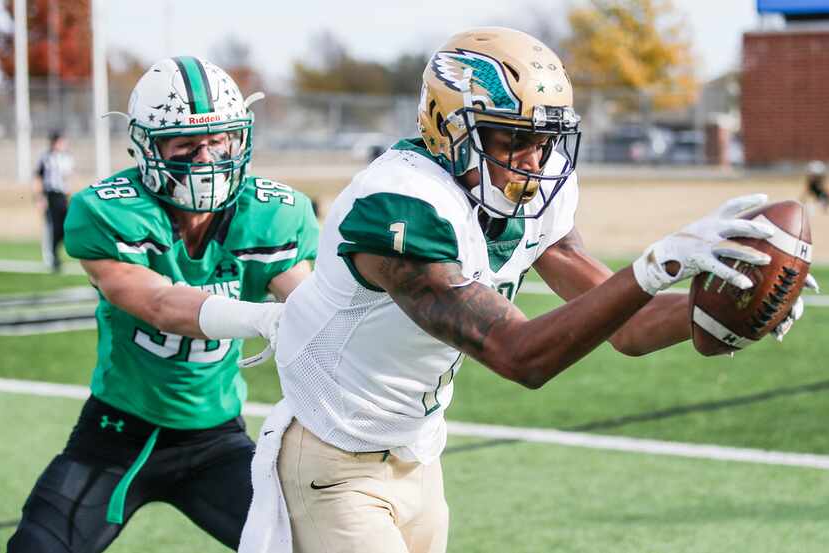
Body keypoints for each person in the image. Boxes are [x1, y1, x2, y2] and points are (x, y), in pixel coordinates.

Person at [238, 27, 816, 553]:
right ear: (450, 127)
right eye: (512, 139)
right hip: (335, 459)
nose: (534, 159)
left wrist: (723, 307)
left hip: (417, 455)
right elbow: (520, 355)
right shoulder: (400, 206)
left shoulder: (525, 195)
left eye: (543, 140)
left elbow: (627, 328)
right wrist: (658, 265)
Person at [8, 56, 319, 553]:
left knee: (303, 546)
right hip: (117, 435)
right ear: (147, 147)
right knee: (38, 549)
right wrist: (259, 316)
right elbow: (157, 302)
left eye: (220, 140)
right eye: (187, 145)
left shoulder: (269, 215)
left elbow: (308, 301)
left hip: (215, 438)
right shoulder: (110, 211)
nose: (208, 157)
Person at [35, 130, 74, 272]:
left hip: (62, 196)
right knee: (52, 227)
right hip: (50, 195)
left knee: (64, 227)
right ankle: (50, 257)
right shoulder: (45, 157)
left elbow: (68, 179)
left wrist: (69, 197)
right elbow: (38, 177)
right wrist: (39, 197)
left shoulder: (67, 158)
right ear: (54, 142)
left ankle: (55, 255)